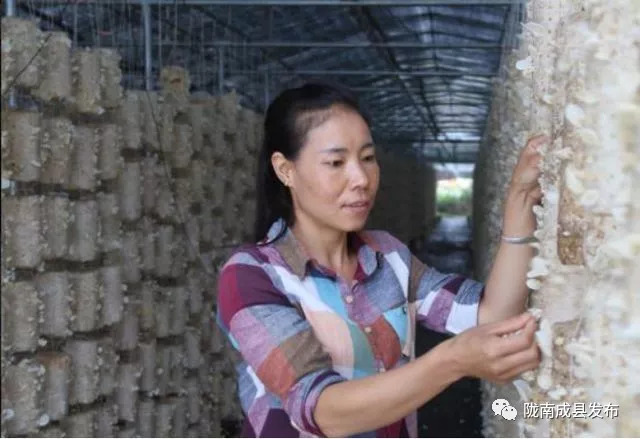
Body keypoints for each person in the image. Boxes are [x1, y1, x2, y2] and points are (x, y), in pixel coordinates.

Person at [216, 82, 545, 438]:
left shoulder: (387, 257)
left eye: (368, 158)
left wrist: (520, 206)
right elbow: (321, 409)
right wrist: (452, 360)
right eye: (336, 162)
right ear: (285, 170)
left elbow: (490, 316)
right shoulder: (251, 275)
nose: (361, 179)